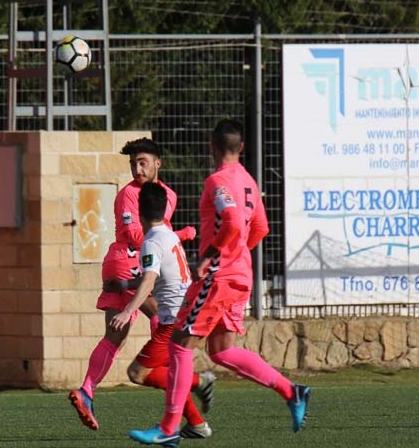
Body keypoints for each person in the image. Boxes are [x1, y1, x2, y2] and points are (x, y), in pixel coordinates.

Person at [128, 119, 310, 447]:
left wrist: (213, 255)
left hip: (219, 275)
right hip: (241, 274)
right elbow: (260, 229)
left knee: (180, 345)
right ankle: (292, 391)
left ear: (212, 147)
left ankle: (169, 427)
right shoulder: (250, 182)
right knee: (222, 351)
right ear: (241, 148)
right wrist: (237, 255)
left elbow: (232, 220)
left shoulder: (218, 181)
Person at [70, 137, 196, 431]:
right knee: (166, 328)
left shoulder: (168, 195)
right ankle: (186, 401)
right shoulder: (129, 195)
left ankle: (86, 392)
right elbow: (140, 237)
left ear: (157, 164)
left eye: (142, 163)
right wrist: (181, 236)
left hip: (137, 266)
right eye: (132, 164)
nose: (137, 169)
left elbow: (156, 242)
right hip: (127, 261)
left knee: (117, 338)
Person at [110, 182, 216, 440]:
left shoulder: (151, 242)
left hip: (172, 321)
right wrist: (124, 284)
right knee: (170, 371)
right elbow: (156, 276)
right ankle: (197, 424)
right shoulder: (168, 235)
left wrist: (126, 312)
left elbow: (148, 280)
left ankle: (200, 381)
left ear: (139, 214)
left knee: (138, 373)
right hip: (183, 315)